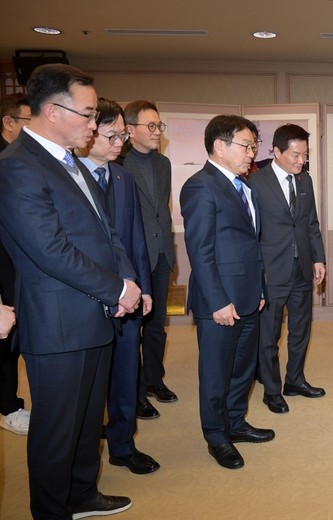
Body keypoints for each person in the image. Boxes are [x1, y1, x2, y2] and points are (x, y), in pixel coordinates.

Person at [0, 64, 141, 519]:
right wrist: (117, 289)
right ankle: (52, 510)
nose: (94, 124)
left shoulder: (70, 161)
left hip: (94, 314)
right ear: (53, 111)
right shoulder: (17, 167)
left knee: (87, 421)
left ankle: (82, 494)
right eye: (89, 113)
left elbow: (106, 232)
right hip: (58, 322)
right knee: (57, 431)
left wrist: (126, 280)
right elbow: (51, 251)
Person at [180, 115, 274, 470]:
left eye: (254, 146)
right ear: (220, 146)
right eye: (247, 146)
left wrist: (260, 287)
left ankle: (236, 422)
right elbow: (200, 250)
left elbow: (253, 246)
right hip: (219, 301)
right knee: (216, 373)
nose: (252, 153)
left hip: (249, 296)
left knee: (242, 369)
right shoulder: (200, 187)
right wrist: (218, 300)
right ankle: (216, 436)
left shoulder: (244, 187)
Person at [78, 98, 160, 474]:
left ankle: (123, 445)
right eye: (112, 135)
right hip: (86, 296)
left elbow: (135, 238)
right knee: (89, 381)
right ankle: (86, 446)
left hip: (129, 293)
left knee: (127, 371)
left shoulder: (123, 177)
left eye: (123, 135)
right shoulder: (68, 176)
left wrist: (143, 287)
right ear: (89, 131)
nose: (119, 144)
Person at [246, 123, 326, 414]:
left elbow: (311, 224)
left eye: (305, 155)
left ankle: (295, 380)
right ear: (276, 152)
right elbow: (251, 233)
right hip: (272, 271)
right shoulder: (256, 182)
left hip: (302, 268)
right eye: (295, 155)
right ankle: (271, 390)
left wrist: (318, 259)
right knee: (269, 336)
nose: (301, 161)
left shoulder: (305, 181)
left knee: (300, 330)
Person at [120, 100, 177, 419]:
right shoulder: (119, 163)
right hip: (134, 259)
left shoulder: (163, 164)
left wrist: (170, 250)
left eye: (159, 126)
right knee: (133, 329)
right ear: (130, 130)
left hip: (161, 254)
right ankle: (136, 391)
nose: (157, 132)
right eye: (151, 126)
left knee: (157, 325)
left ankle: (154, 380)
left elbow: (161, 212)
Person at [0, 93, 31, 435]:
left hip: (17, 263)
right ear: (9, 123)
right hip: (3, 266)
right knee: (6, 340)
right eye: (27, 121)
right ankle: (8, 407)